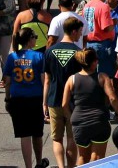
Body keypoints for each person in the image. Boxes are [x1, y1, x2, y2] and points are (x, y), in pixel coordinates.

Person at [62, 47, 118, 165]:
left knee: (83, 157)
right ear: (94, 62)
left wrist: (71, 118)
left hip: (79, 122)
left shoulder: (71, 79)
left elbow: (64, 104)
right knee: (98, 158)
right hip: (99, 122)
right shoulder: (102, 77)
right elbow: (113, 98)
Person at [2, 29, 47, 168]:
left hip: (17, 99)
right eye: (35, 37)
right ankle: (39, 162)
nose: (36, 39)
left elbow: (7, 81)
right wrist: (45, 102)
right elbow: (43, 80)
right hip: (35, 98)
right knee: (37, 133)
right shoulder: (39, 56)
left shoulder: (12, 57)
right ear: (29, 40)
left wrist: (7, 98)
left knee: (24, 134)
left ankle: (28, 166)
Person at [43, 17, 83, 168]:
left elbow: (47, 79)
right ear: (73, 32)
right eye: (79, 32)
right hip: (73, 102)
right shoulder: (79, 53)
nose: (80, 35)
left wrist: (44, 102)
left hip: (54, 99)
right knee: (72, 138)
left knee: (57, 138)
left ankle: (60, 166)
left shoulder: (50, 51)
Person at [83, 0, 117, 76]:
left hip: (89, 43)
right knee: (104, 75)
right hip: (101, 45)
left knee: (92, 73)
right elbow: (106, 28)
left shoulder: (87, 5)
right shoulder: (103, 6)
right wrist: (113, 23)